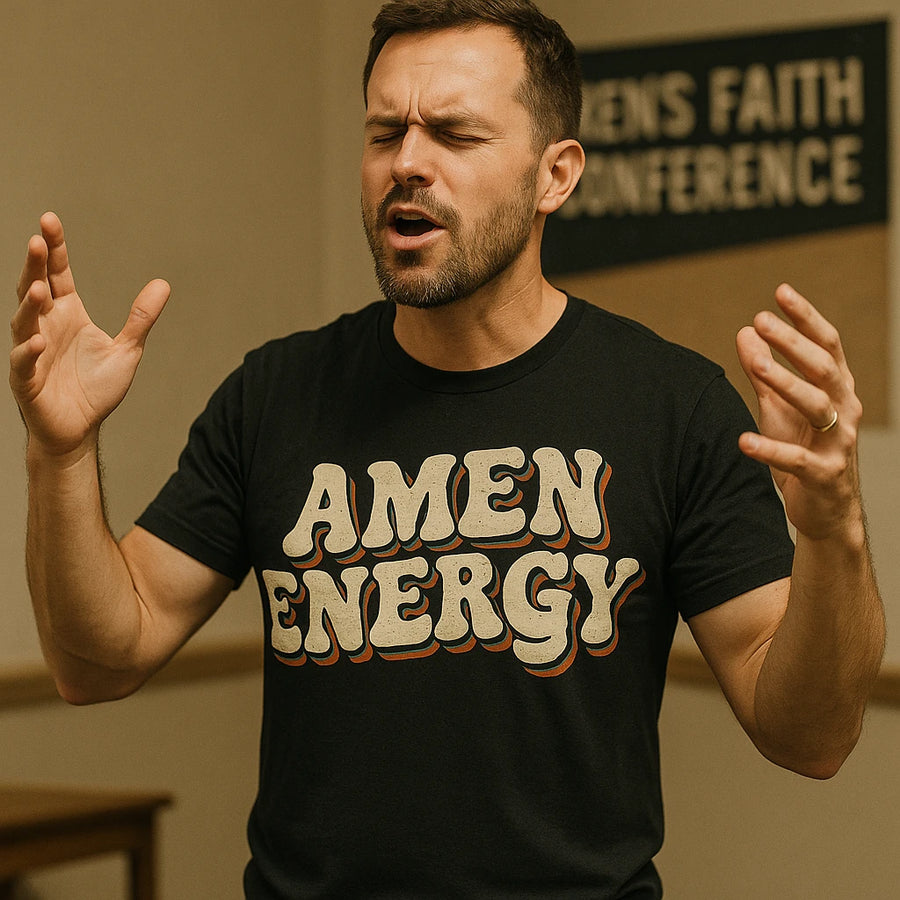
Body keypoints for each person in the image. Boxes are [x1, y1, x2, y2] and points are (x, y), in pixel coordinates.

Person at [9, 0, 886, 897]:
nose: (408, 163)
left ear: (556, 175)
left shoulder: (671, 407)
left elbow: (810, 736)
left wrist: (832, 531)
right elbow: (95, 662)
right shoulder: (275, 396)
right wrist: (61, 453)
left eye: (455, 135)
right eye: (386, 131)